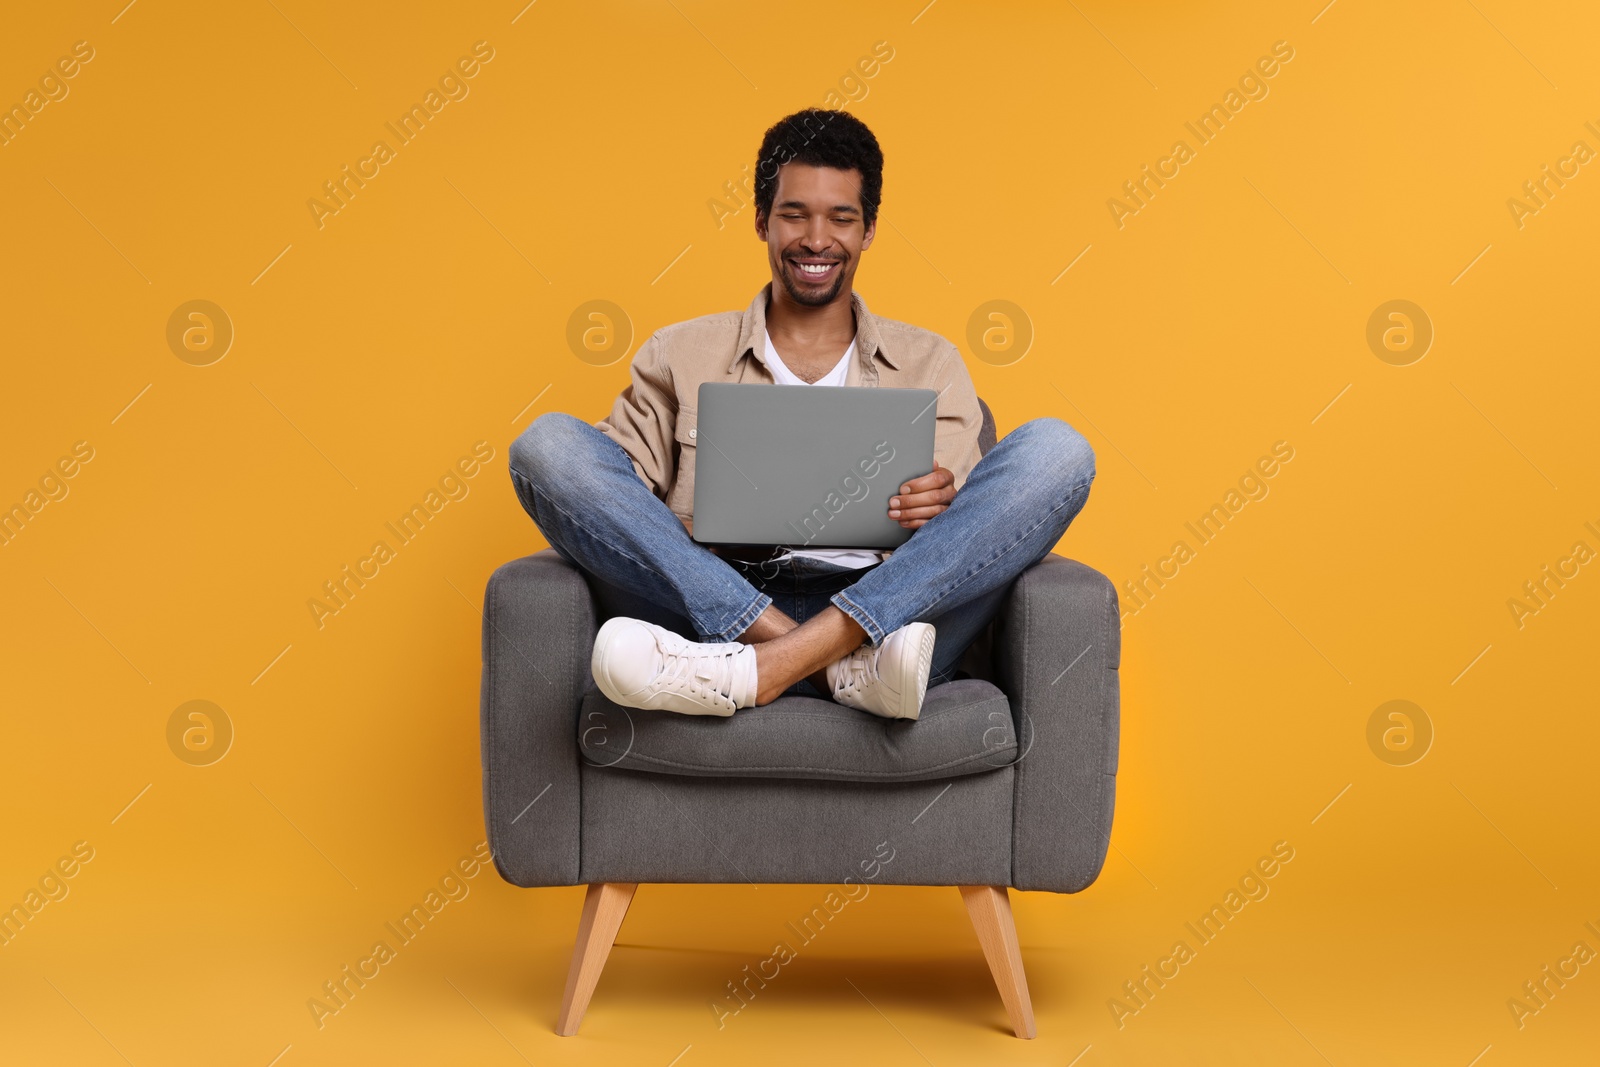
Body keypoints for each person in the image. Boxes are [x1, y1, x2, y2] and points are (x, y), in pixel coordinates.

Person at [510, 108, 1095, 722]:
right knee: (547, 445)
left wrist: (943, 505)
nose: (817, 239)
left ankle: (766, 668)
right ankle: (825, 662)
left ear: (868, 230)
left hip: (890, 616)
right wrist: (656, 528)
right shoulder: (678, 353)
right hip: (715, 602)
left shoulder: (932, 362)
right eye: (795, 214)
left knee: (1058, 450)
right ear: (762, 221)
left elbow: (962, 545)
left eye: (841, 218)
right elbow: (613, 493)